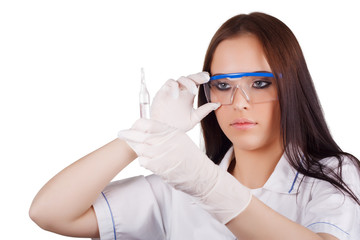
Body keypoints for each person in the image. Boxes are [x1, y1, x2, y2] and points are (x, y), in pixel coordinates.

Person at [29, 12, 360, 240]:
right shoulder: (177, 188)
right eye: (224, 85)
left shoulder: (332, 174)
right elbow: (50, 212)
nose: (239, 102)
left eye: (260, 83)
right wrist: (147, 134)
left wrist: (205, 183)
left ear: (292, 87)